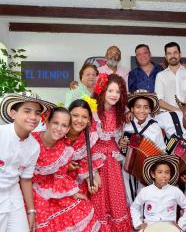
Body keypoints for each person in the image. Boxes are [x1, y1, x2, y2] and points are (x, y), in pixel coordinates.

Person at [0, 92, 55, 231]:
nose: (33, 117)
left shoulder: (34, 146)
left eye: (37, 113)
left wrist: (31, 211)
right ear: (13, 113)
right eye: (27, 111)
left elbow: (26, 179)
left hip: (13, 198)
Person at [32, 107, 100, 231]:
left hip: (48, 190)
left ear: (68, 129)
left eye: (64, 125)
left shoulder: (65, 151)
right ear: (47, 122)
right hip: (27, 190)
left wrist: (74, 193)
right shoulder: (31, 140)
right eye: (55, 123)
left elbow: (60, 177)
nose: (59, 128)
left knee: (82, 207)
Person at [90, 73, 133, 231]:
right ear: (102, 91)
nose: (114, 95)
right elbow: (87, 144)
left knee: (116, 199)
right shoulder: (92, 111)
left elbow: (115, 138)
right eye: (110, 91)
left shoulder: (119, 112)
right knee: (98, 197)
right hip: (96, 162)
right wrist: (93, 171)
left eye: (118, 92)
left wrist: (120, 141)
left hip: (113, 162)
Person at [119, 89, 166, 205]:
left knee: (144, 196)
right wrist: (121, 142)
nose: (142, 110)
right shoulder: (125, 124)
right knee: (128, 194)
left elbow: (162, 151)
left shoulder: (155, 128)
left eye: (146, 107)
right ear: (132, 109)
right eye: (138, 107)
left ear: (150, 109)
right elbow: (117, 141)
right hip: (126, 166)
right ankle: (131, 219)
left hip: (146, 170)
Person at [130, 155, 186, 231]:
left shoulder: (175, 191)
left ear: (170, 175)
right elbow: (134, 207)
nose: (164, 175)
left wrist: (181, 224)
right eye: (160, 172)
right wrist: (138, 223)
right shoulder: (145, 191)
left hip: (170, 226)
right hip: (150, 225)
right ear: (153, 174)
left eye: (167, 172)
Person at [65, 98, 105, 195]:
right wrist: (65, 167)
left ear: (89, 121)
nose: (79, 120)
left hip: (78, 182)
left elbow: (87, 162)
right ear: (67, 116)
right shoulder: (59, 133)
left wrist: (90, 180)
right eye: (75, 115)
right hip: (56, 184)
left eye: (84, 117)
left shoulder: (89, 138)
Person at [155, 42, 186, 111]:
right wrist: (178, 111)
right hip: (167, 115)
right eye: (169, 53)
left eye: (175, 52)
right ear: (165, 56)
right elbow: (159, 100)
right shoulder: (160, 76)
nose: (172, 56)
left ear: (180, 54)